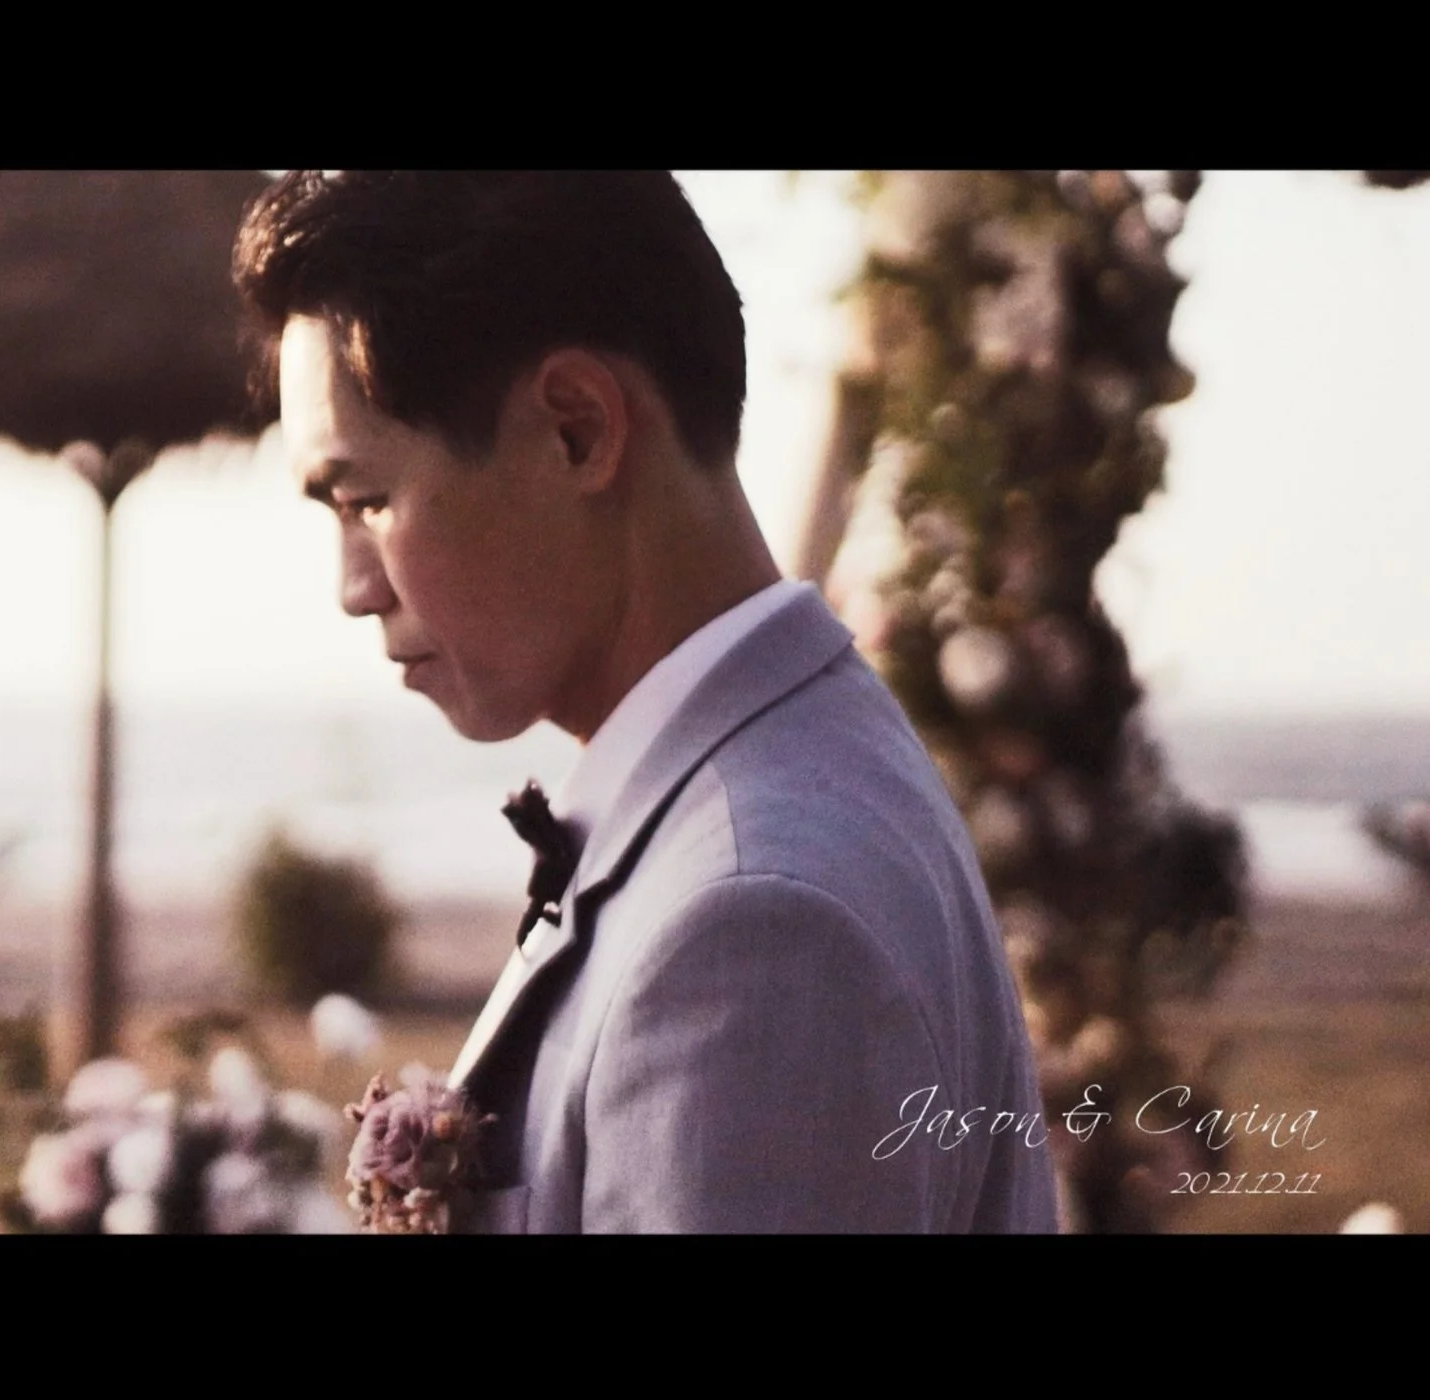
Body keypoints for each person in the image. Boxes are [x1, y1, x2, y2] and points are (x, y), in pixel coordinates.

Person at [235, 172, 1058, 1232]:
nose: (353, 588)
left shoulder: (752, 922)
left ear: (576, 428)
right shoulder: (783, 788)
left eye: (367, 499)